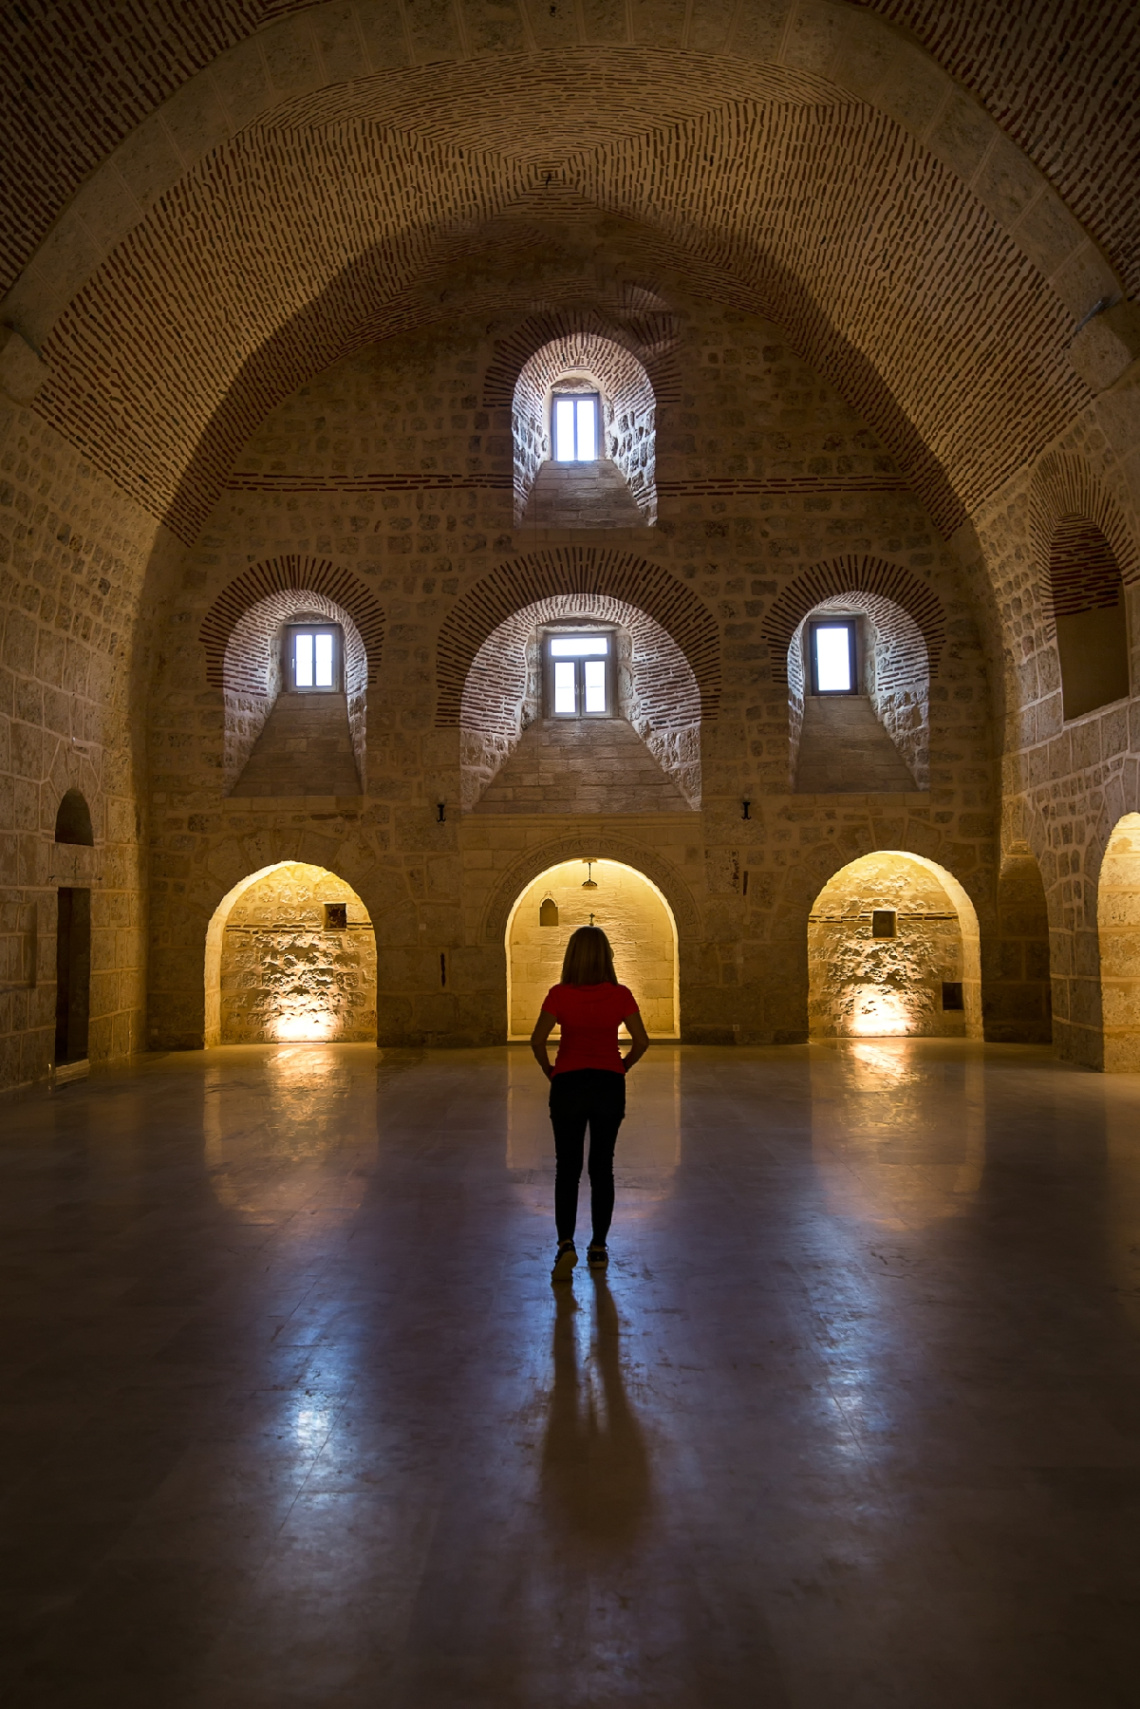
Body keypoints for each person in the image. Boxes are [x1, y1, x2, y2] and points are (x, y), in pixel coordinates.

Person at [530, 925, 650, 1281]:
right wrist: (621, 1066)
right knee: (602, 1167)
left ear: (571, 957)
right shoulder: (620, 995)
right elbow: (641, 1041)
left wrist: (551, 1071)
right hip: (608, 1083)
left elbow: (538, 1041)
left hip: (567, 1082)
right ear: (607, 956)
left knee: (566, 1168)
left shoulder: (559, 994)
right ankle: (598, 1247)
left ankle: (565, 1244)